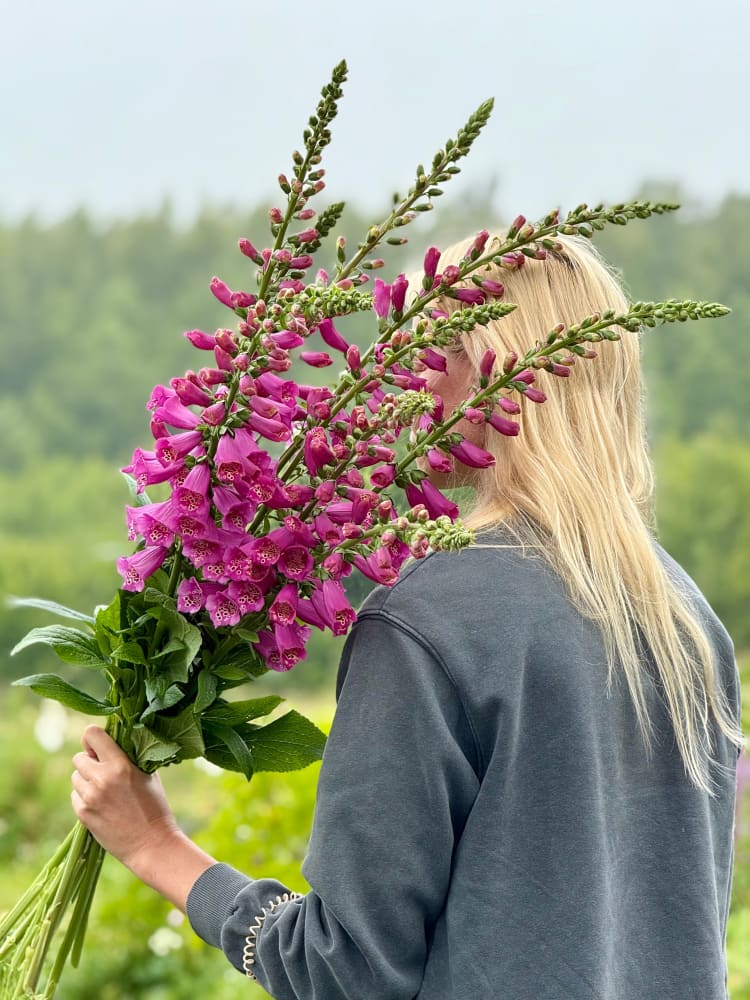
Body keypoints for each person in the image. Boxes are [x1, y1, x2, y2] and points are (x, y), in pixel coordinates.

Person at [71, 232, 744, 1000]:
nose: (406, 374)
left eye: (433, 345)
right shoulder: (683, 617)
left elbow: (347, 970)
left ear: (494, 366)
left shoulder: (430, 623)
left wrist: (156, 846)